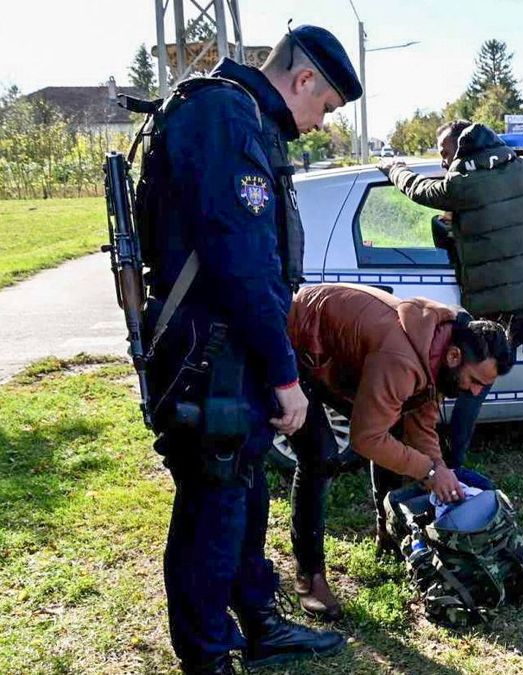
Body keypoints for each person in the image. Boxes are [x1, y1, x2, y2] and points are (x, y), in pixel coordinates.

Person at [140, 24, 361, 674]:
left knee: (242, 492)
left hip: (223, 354)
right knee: (213, 509)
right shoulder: (228, 117)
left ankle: (258, 621)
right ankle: (208, 655)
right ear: (302, 81)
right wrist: (286, 372)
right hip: (212, 355)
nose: (321, 123)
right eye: (324, 107)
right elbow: (243, 265)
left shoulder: (235, 114)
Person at [379, 122, 523, 482]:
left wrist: (392, 167)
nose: (444, 163)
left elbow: (416, 188)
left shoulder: (459, 187)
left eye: (447, 156)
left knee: (474, 389)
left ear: (461, 155)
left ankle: (453, 466)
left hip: (495, 314)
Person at [286, 284, 513, 620]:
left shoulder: (440, 345)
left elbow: (420, 422)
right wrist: (430, 472)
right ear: (455, 357)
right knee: (320, 457)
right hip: (297, 348)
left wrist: (438, 465)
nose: (476, 391)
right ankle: (310, 575)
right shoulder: (402, 358)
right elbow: (366, 439)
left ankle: (388, 535)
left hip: (339, 356)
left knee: (394, 430)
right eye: (476, 380)